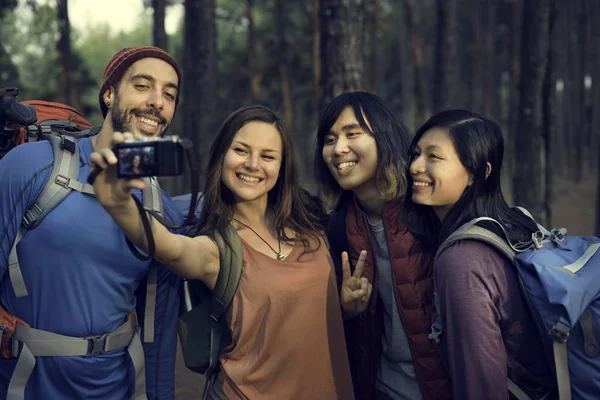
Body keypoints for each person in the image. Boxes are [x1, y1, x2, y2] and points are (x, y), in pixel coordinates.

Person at [90, 105, 355, 400]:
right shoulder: (217, 247)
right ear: (222, 157)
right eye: (241, 150)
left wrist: (344, 307)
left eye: (268, 156)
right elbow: (169, 246)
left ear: (282, 168)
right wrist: (118, 204)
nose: (253, 165)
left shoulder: (313, 224)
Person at [0, 46, 184, 399]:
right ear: (110, 93)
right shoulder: (30, 166)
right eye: (143, 85)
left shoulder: (162, 211)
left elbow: (157, 337)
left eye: (169, 94)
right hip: (25, 385)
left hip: (117, 387)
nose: (158, 101)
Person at [405, 110, 555, 399]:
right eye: (416, 154)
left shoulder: (462, 260)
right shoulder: (515, 222)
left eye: (433, 157)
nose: (415, 166)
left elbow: (481, 385)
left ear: (478, 173)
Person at [314, 91, 452, 400]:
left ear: (385, 139)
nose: (339, 149)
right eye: (329, 139)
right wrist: (345, 310)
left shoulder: (430, 210)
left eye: (353, 134)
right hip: (381, 390)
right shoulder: (334, 229)